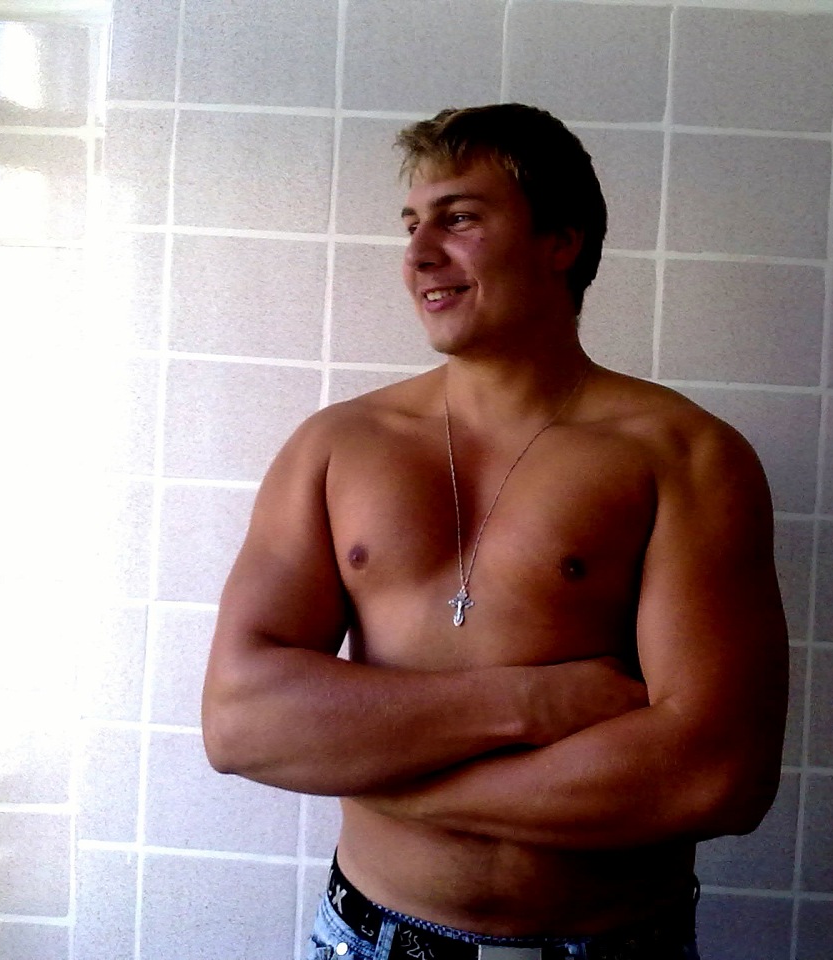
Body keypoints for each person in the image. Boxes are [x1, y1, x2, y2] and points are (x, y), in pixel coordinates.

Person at [202, 103, 789, 960]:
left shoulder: (684, 456)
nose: (418, 254)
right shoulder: (335, 448)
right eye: (411, 223)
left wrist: (388, 779)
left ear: (562, 241)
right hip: (368, 939)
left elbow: (717, 774)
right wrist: (529, 704)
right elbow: (240, 719)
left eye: (460, 218)